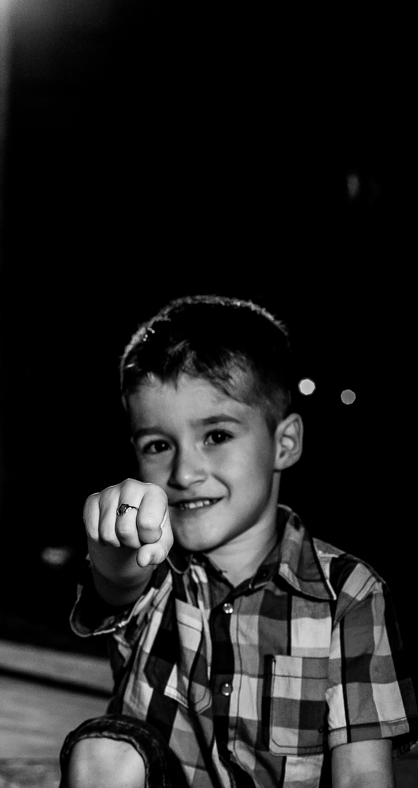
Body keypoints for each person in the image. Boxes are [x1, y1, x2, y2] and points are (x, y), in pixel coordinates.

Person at [63, 295, 415, 788]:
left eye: (217, 436)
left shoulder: (351, 594)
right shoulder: (155, 568)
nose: (184, 472)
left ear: (284, 443)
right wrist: (114, 549)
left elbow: (362, 777)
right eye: (158, 445)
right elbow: (120, 583)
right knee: (103, 751)